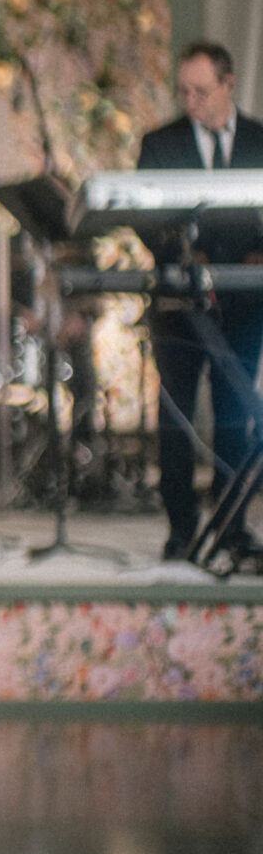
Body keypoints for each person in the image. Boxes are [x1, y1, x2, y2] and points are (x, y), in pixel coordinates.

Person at [137, 40, 263, 560]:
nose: (191, 101)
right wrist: (184, 256)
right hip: (179, 306)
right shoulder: (159, 143)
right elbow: (145, 217)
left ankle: (232, 525)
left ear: (229, 85)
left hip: (243, 305)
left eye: (202, 91)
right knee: (176, 419)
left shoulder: (259, 140)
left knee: (236, 415)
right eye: (184, 91)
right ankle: (180, 529)